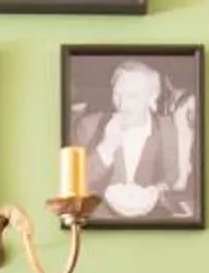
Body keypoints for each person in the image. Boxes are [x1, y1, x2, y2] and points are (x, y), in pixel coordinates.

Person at [70, 58, 196, 223]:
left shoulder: (166, 126)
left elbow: (171, 174)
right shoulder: (88, 126)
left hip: (147, 222)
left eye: (133, 96)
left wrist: (156, 190)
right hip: (100, 222)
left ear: (152, 97)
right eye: (117, 93)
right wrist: (107, 147)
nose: (122, 104)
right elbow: (75, 184)